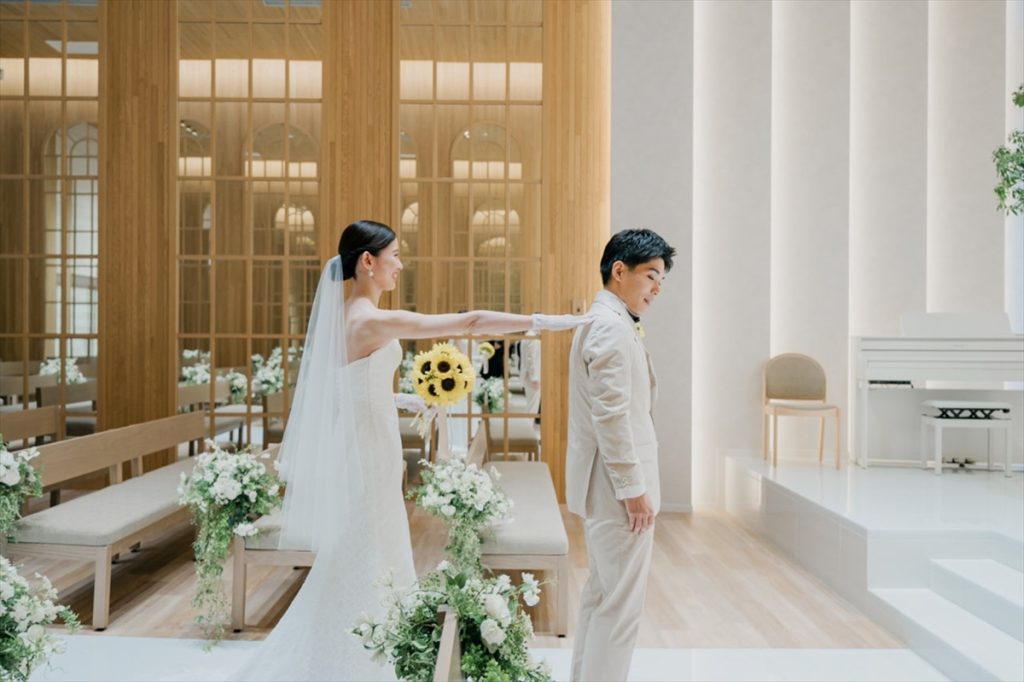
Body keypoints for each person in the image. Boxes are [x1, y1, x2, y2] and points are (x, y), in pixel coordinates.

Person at [231, 220, 589, 681]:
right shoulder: (369, 318)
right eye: (395, 255)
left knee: (370, 549)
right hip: (368, 456)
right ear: (368, 261)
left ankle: (372, 648)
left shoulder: (350, 317)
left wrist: (404, 399)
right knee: (367, 549)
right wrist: (542, 323)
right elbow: (470, 322)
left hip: (370, 451)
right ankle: (359, 658)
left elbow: (352, 387)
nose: (400, 265)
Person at [565, 229, 676, 682]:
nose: (656, 288)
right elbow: (611, 417)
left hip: (605, 488)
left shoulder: (605, 322)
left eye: (661, 280)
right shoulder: (610, 328)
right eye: (650, 275)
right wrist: (633, 490)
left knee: (602, 598)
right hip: (617, 492)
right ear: (619, 271)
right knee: (620, 609)